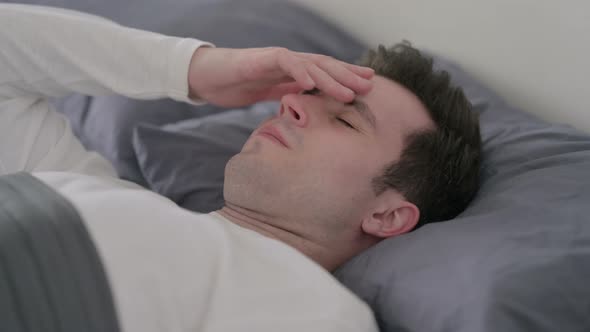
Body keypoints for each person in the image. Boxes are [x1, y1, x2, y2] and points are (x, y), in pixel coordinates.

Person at [0, 3, 481, 332]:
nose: (292, 101)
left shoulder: (317, 313)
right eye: (306, 92)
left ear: (387, 215)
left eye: (345, 121)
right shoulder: (90, 185)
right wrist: (194, 69)